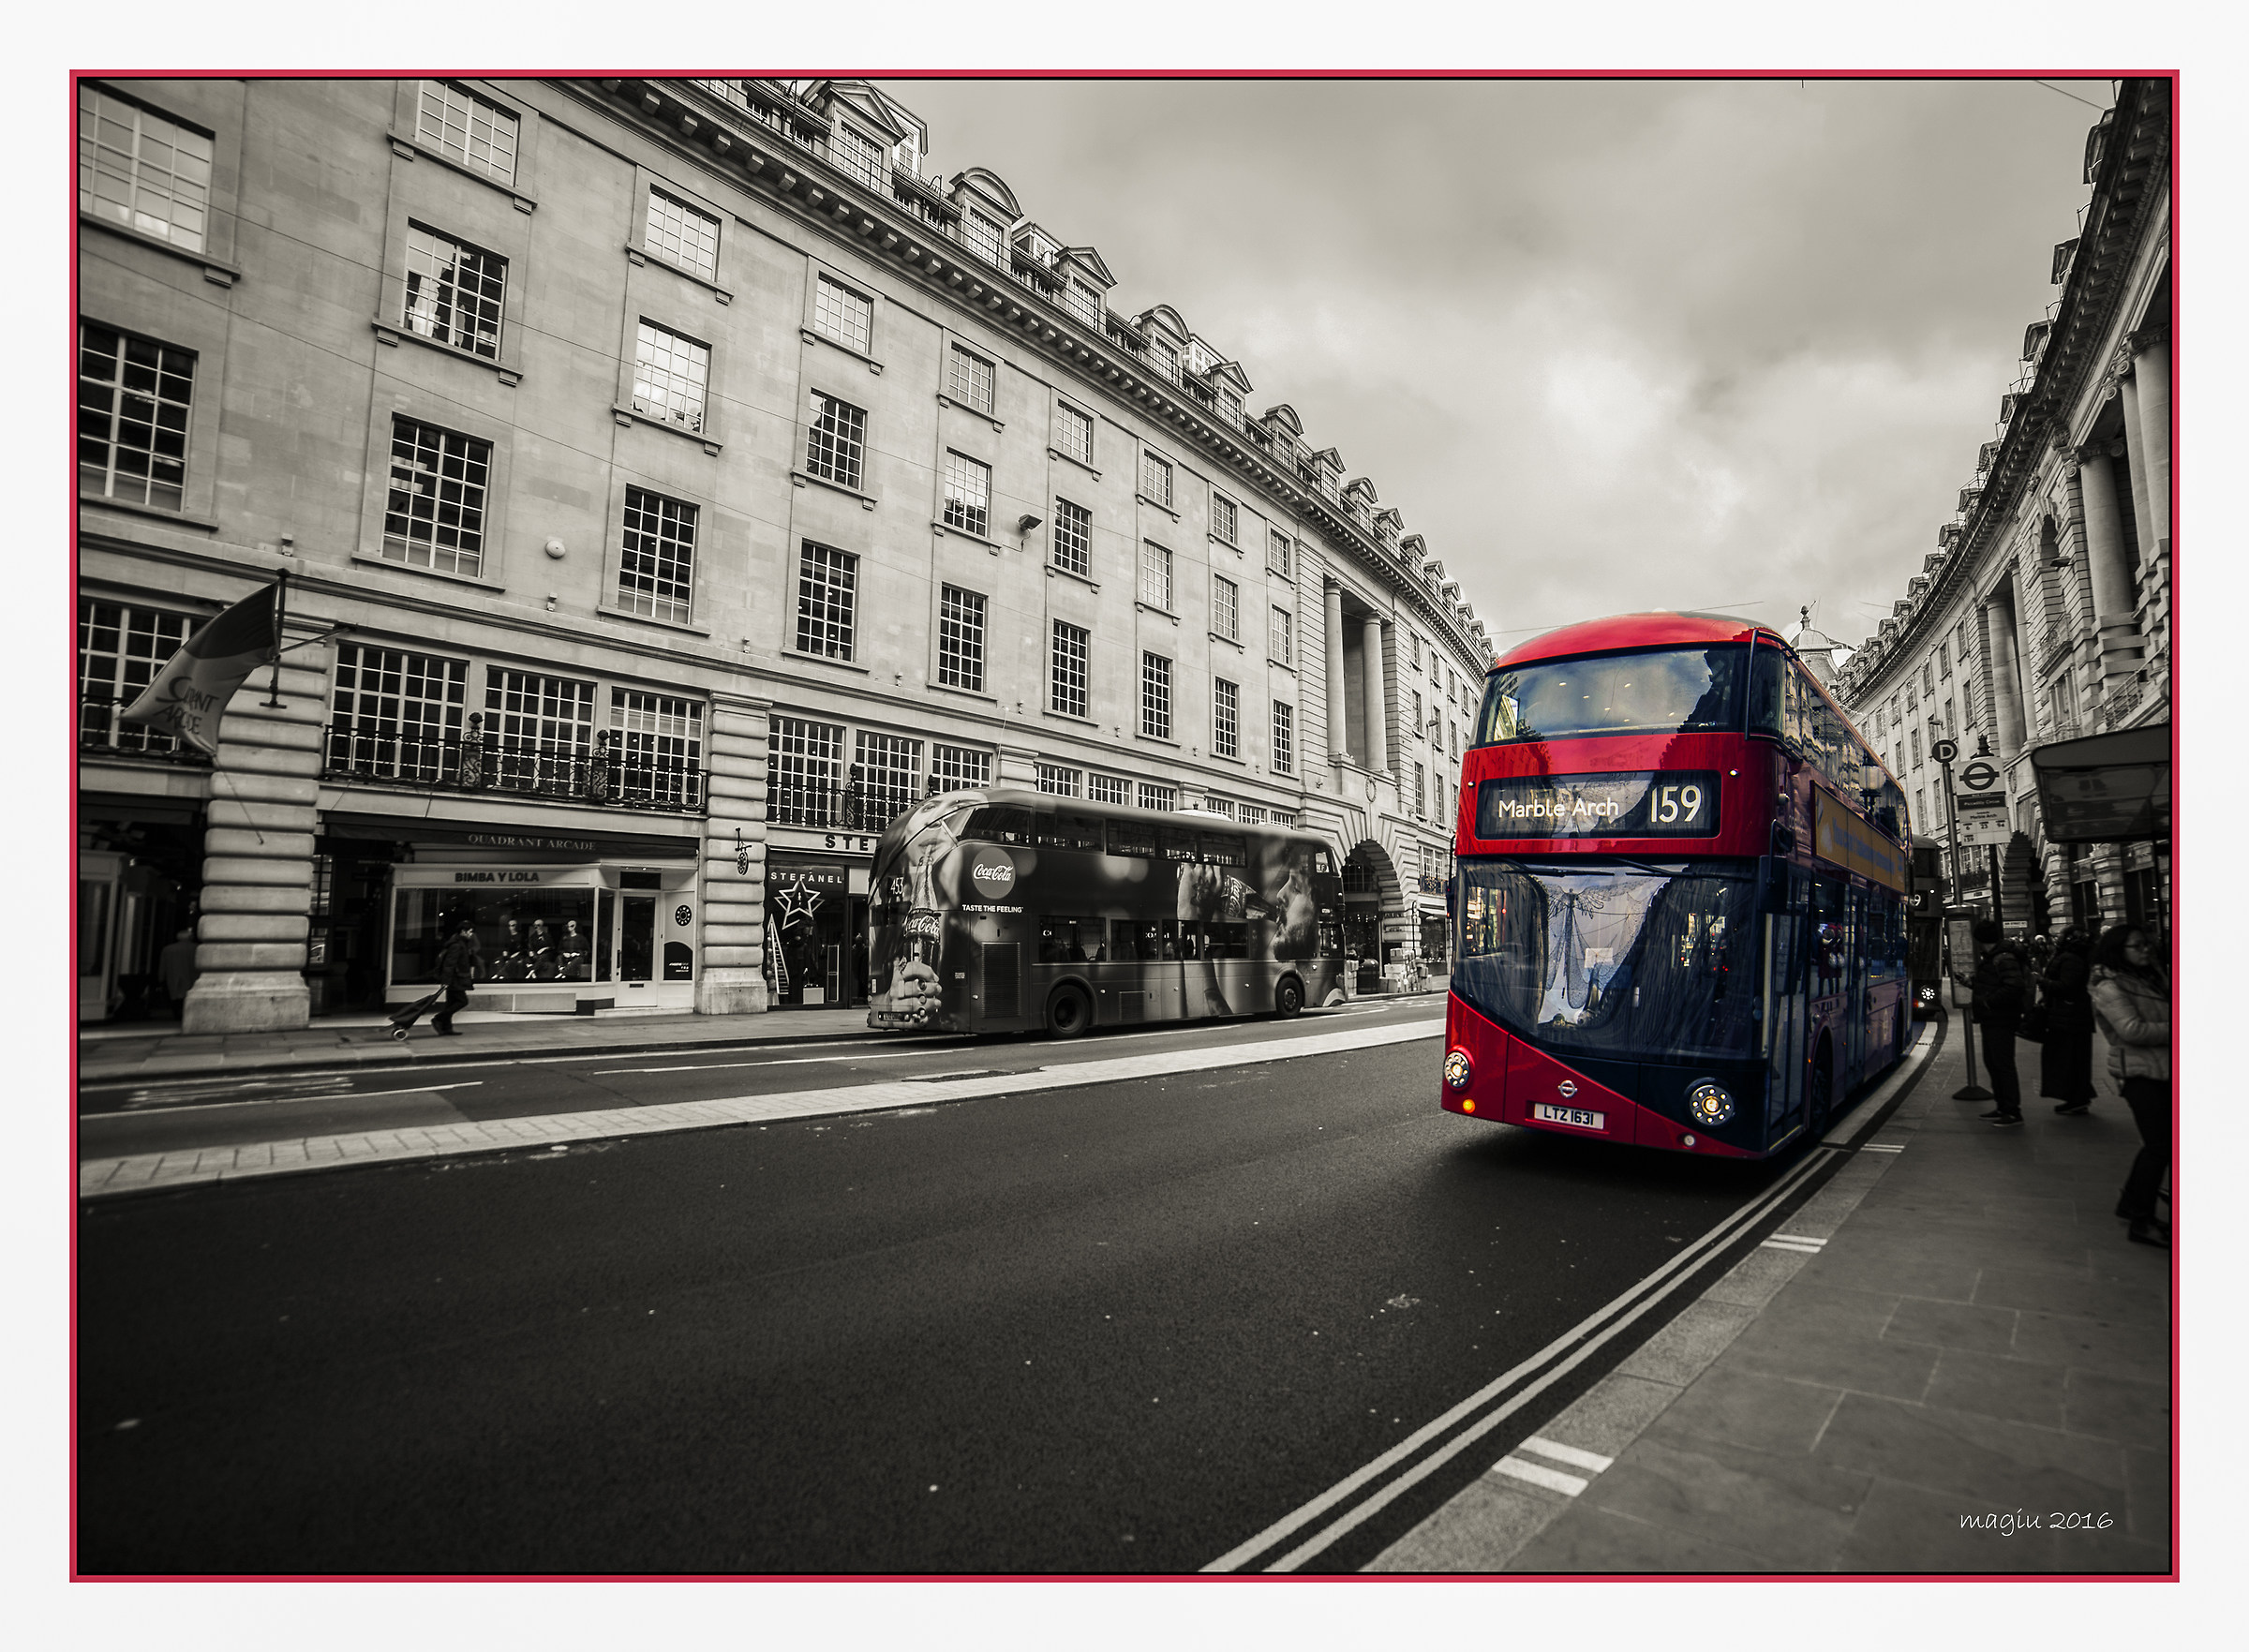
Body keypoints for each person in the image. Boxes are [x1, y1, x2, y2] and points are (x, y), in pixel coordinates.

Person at [2090, 925, 2170, 1247]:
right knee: (2160, 1146)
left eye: (2147, 945)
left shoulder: (2152, 977)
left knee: (2162, 1145)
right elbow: (2131, 1030)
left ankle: (2133, 1202)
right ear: (2118, 951)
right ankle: (2141, 1219)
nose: (2146, 951)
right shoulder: (2108, 986)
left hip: (2163, 1069)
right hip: (2138, 1073)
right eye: (2137, 946)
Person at [1962, 917, 2029, 1126]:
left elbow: (2014, 986)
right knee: (1993, 1063)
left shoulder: (2003, 957)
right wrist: (1971, 984)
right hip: (1992, 1019)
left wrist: (1989, 1002)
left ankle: (2012, 1110)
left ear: (1981, 939)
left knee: (2003, 1064)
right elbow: (1994, 984)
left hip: (2001, 1019)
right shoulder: (1994, 957)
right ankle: (2002, 1106)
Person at [2038, 927, 2098, 1115]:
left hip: (2070, 1018)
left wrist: (2041, 981)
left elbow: (2067, 986)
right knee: (2071, 1059)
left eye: (2060, 936)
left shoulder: (2071, 959)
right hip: (2068, 1016)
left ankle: (2077, 1098)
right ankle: (2076, 1097)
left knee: (2070, 1059)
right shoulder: (2072, 957)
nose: (2057, 939)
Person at [430, 918, 482, 1035]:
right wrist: (446, 981)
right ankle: (438, 1018)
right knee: (462, 1001)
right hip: (455, 979)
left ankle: (447, 1028)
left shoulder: (460, 943)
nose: (471, 934)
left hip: (455, 978)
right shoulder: (457, 945)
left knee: (451, 1003)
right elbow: (450, 964)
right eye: (469, 931)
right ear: (463, 932)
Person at [156, 926, 199, 1017]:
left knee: (175, 996)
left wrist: (161, 978)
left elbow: (163, 965)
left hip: (173, 976)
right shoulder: (196, 948)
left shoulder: (168, 949)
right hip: (191, 975)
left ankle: (176, 1013)